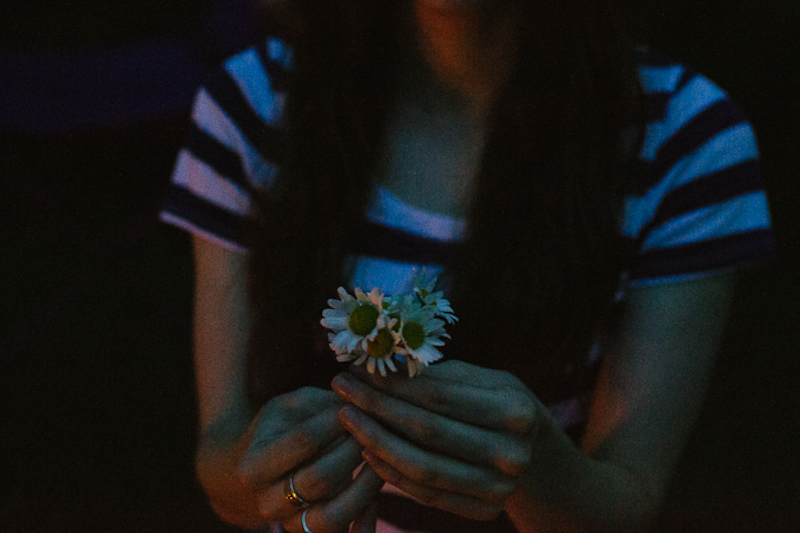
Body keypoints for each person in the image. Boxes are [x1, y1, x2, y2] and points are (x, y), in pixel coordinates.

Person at [160, 0, 775, 531]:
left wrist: (534, 465)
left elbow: (625, 503)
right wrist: (280, 484)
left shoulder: (689, 141)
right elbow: (220, 463)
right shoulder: (251, 104)